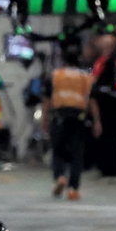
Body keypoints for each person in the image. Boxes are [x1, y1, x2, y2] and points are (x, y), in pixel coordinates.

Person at [47, 49, 94, 200]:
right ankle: (73, 189)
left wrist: (44, 119)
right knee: (76, 154)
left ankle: (60, 176)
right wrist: (97, 121)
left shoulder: (56, 75)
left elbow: (47, 99)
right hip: (78, 118)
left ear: (64, 61)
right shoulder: (85, 77)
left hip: (59, 117)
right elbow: (91, 100)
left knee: (58, 150)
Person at [88, 33, 116, 177]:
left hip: (110, 106)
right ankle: (105, 166)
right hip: (104, 104)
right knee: (104, 136)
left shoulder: (112, 63)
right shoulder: (101, 62)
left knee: (110, 136)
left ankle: (111, 168)